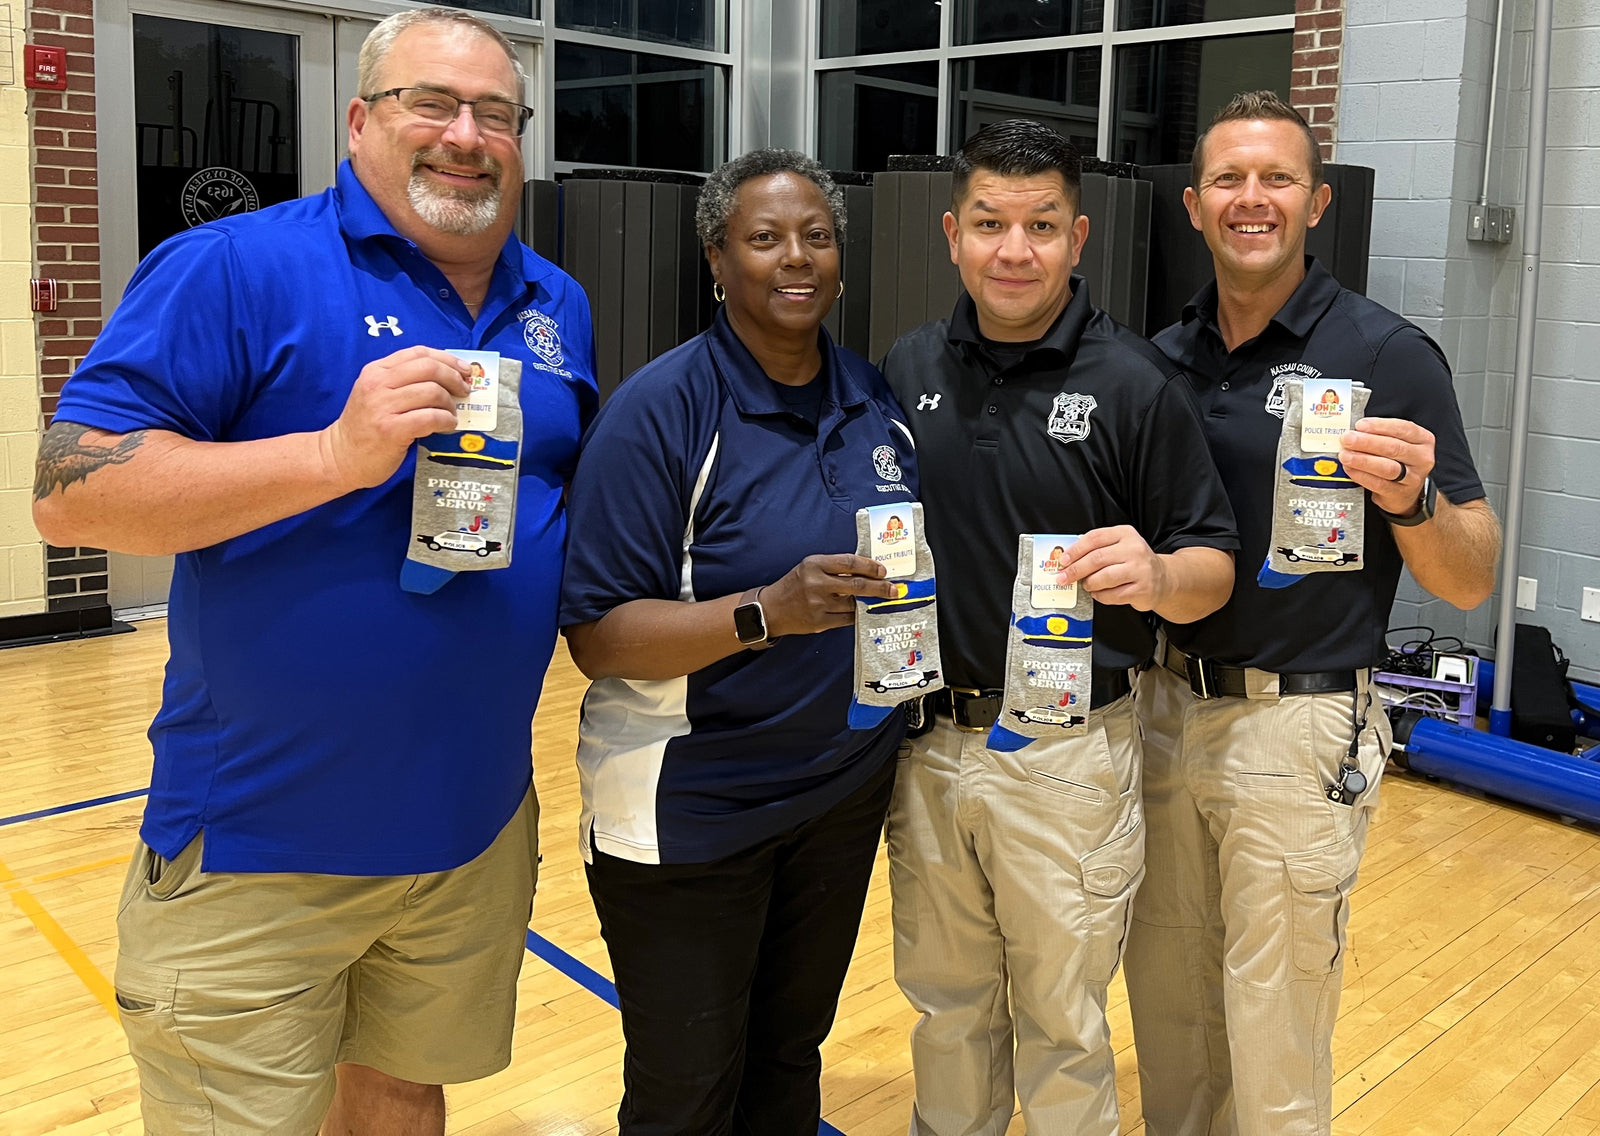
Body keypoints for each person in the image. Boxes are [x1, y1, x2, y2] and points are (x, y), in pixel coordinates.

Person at [31, 9, 596, 1133]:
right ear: (358, 119)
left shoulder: (555, 305)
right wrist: (333, 455)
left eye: (496, 113)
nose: (466, 135)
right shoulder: (236, 266)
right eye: (429, 102)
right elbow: (65, 489)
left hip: (470, 831)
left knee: (400, 1098)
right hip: (261, 844)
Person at [1124, 91, 1500, 1136]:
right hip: (1161, 713)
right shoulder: (1157, 361)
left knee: (1276, 1024)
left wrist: (1409, 500)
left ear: (1317, 201)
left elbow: (1470, 574)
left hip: (1297, 730)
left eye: (1277, 178)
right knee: (1165, 1008)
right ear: (1194, 205)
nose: (1254, 199)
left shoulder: (1387, 355)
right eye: (1231, 180)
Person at [878, 119, 1239, 1135]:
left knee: (1063, 1021)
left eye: (1040, 224)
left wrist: (1158, 571)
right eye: (990, 221)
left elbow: (1210, 568)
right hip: (928, 741)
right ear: (951, 232)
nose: (1013, 248)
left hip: (1067, 753)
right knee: (946, 1005)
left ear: (1077, 239)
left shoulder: (1132, 383)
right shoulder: (906, 368)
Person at [559, 149, 916, 1135]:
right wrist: (763, 609)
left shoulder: (872, 398)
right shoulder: (661, 412)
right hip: (689, 809)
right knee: (686, 1089)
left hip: (836, 795)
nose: (793, 257)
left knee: (786, 1060)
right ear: (717, 259)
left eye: (816, 235)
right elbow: (597, 634)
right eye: (763, 238)